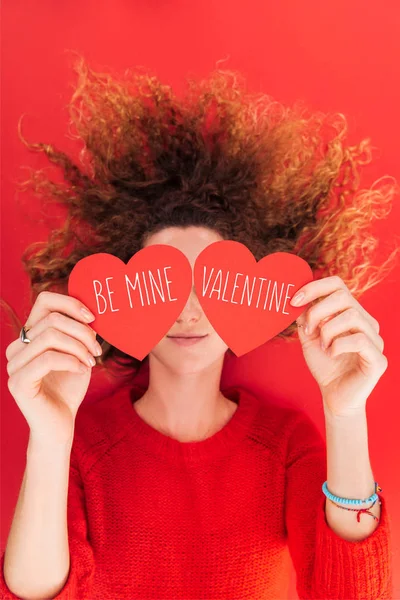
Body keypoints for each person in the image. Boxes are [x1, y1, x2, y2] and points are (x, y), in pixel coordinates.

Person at [1, 54, 397, 599]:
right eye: (166, 284)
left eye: (208, 284)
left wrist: (346, 412)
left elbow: (352, 593)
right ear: (123, 295)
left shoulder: (286, 444)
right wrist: (49, 436)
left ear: (252, 290)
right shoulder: (83, 444)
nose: (188, 311)